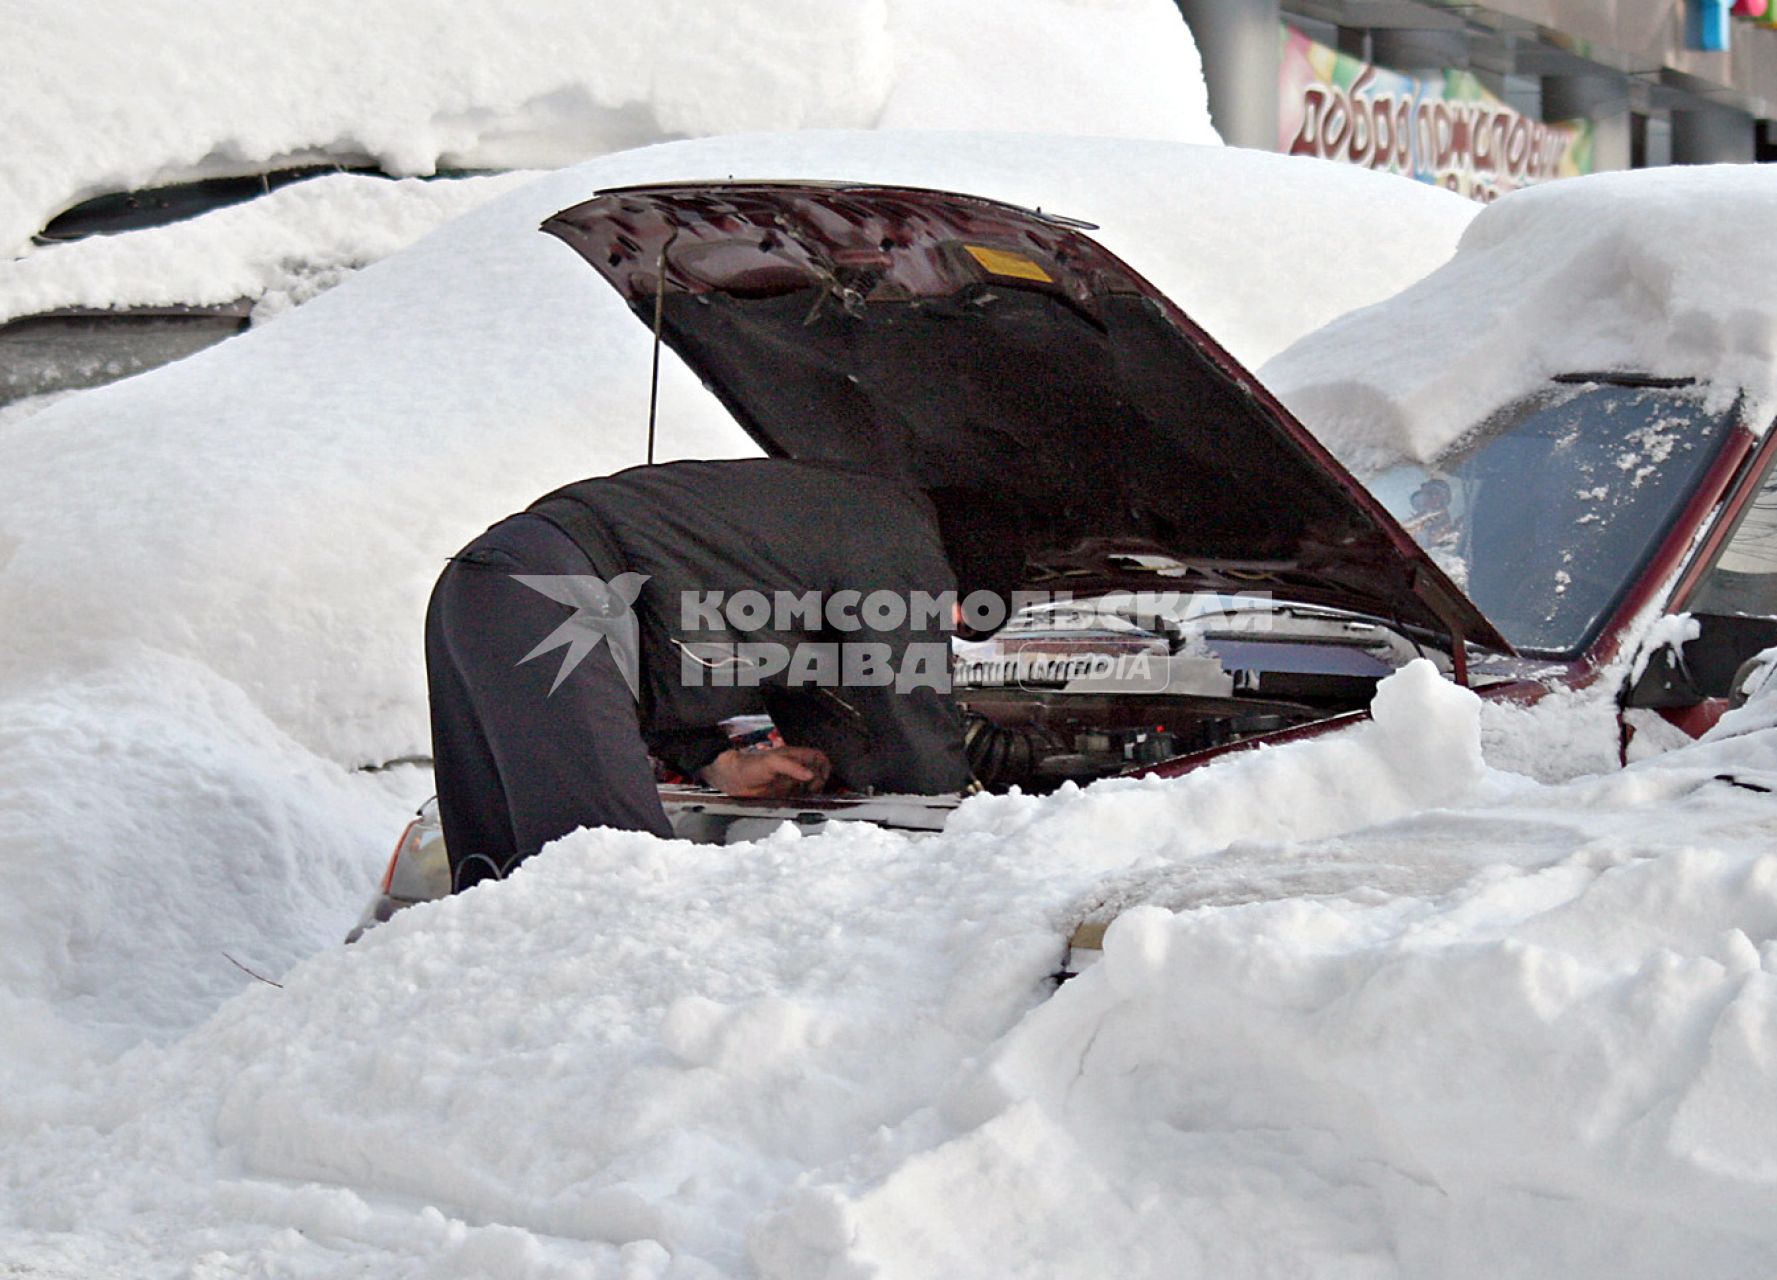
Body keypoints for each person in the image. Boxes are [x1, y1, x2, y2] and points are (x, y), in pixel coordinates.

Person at [425, 457, 990, 892]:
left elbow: (666, 652)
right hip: (556, 596)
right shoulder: (895, 537)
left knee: (495, 881)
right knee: (607, 885)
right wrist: (962, 829)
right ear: (958, 568)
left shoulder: (818, 529)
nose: (945, 631)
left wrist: (717, 762)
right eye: (958, 618)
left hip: (484, 585)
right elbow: (908, 704)